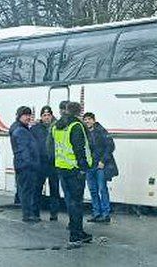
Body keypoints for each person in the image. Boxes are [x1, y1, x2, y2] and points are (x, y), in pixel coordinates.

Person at [54, 101, 93, 246]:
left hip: (61, 168)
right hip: (75, 169)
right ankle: (76, 234)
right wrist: (83, 167)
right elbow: (79, 149)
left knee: (70, 201)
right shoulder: (76, 126)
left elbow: (52, 147)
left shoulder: (57, 126)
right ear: (78, 112)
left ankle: (75, 229)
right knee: (77, 202)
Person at [83, 112, 117, 223]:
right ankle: (96, 213)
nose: (87, 121)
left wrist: (103, 161)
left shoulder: (101, 131)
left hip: (100, 165)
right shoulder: (85, 133)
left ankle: (105, 214)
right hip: (90, 166)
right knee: (93, 190)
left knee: (102, 189)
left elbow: (111, 146)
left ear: (93, 120)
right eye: (85, 120)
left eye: (89, 119)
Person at [9, 106, 40, 223]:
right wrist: (31, 163)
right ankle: (28, 214)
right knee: (27, 190)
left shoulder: (21, 128)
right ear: (19, 116)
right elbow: (24, 150)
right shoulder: (21, 131)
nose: (28, 117)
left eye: (29, 115)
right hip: (26, 166)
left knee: (25, 190)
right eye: (26, 115)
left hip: (22, 165)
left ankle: (28, 213)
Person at [32, 105, 60, 221]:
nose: (47, 117)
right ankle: (35, 213)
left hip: (54, 163)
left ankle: (54, 214)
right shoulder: (35, 129)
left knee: (54, 190)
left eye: (48, 115)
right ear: (41, 117)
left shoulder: (57, 127)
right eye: (44, 115)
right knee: (37, 189)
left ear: (52, 115)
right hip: (40, 163)